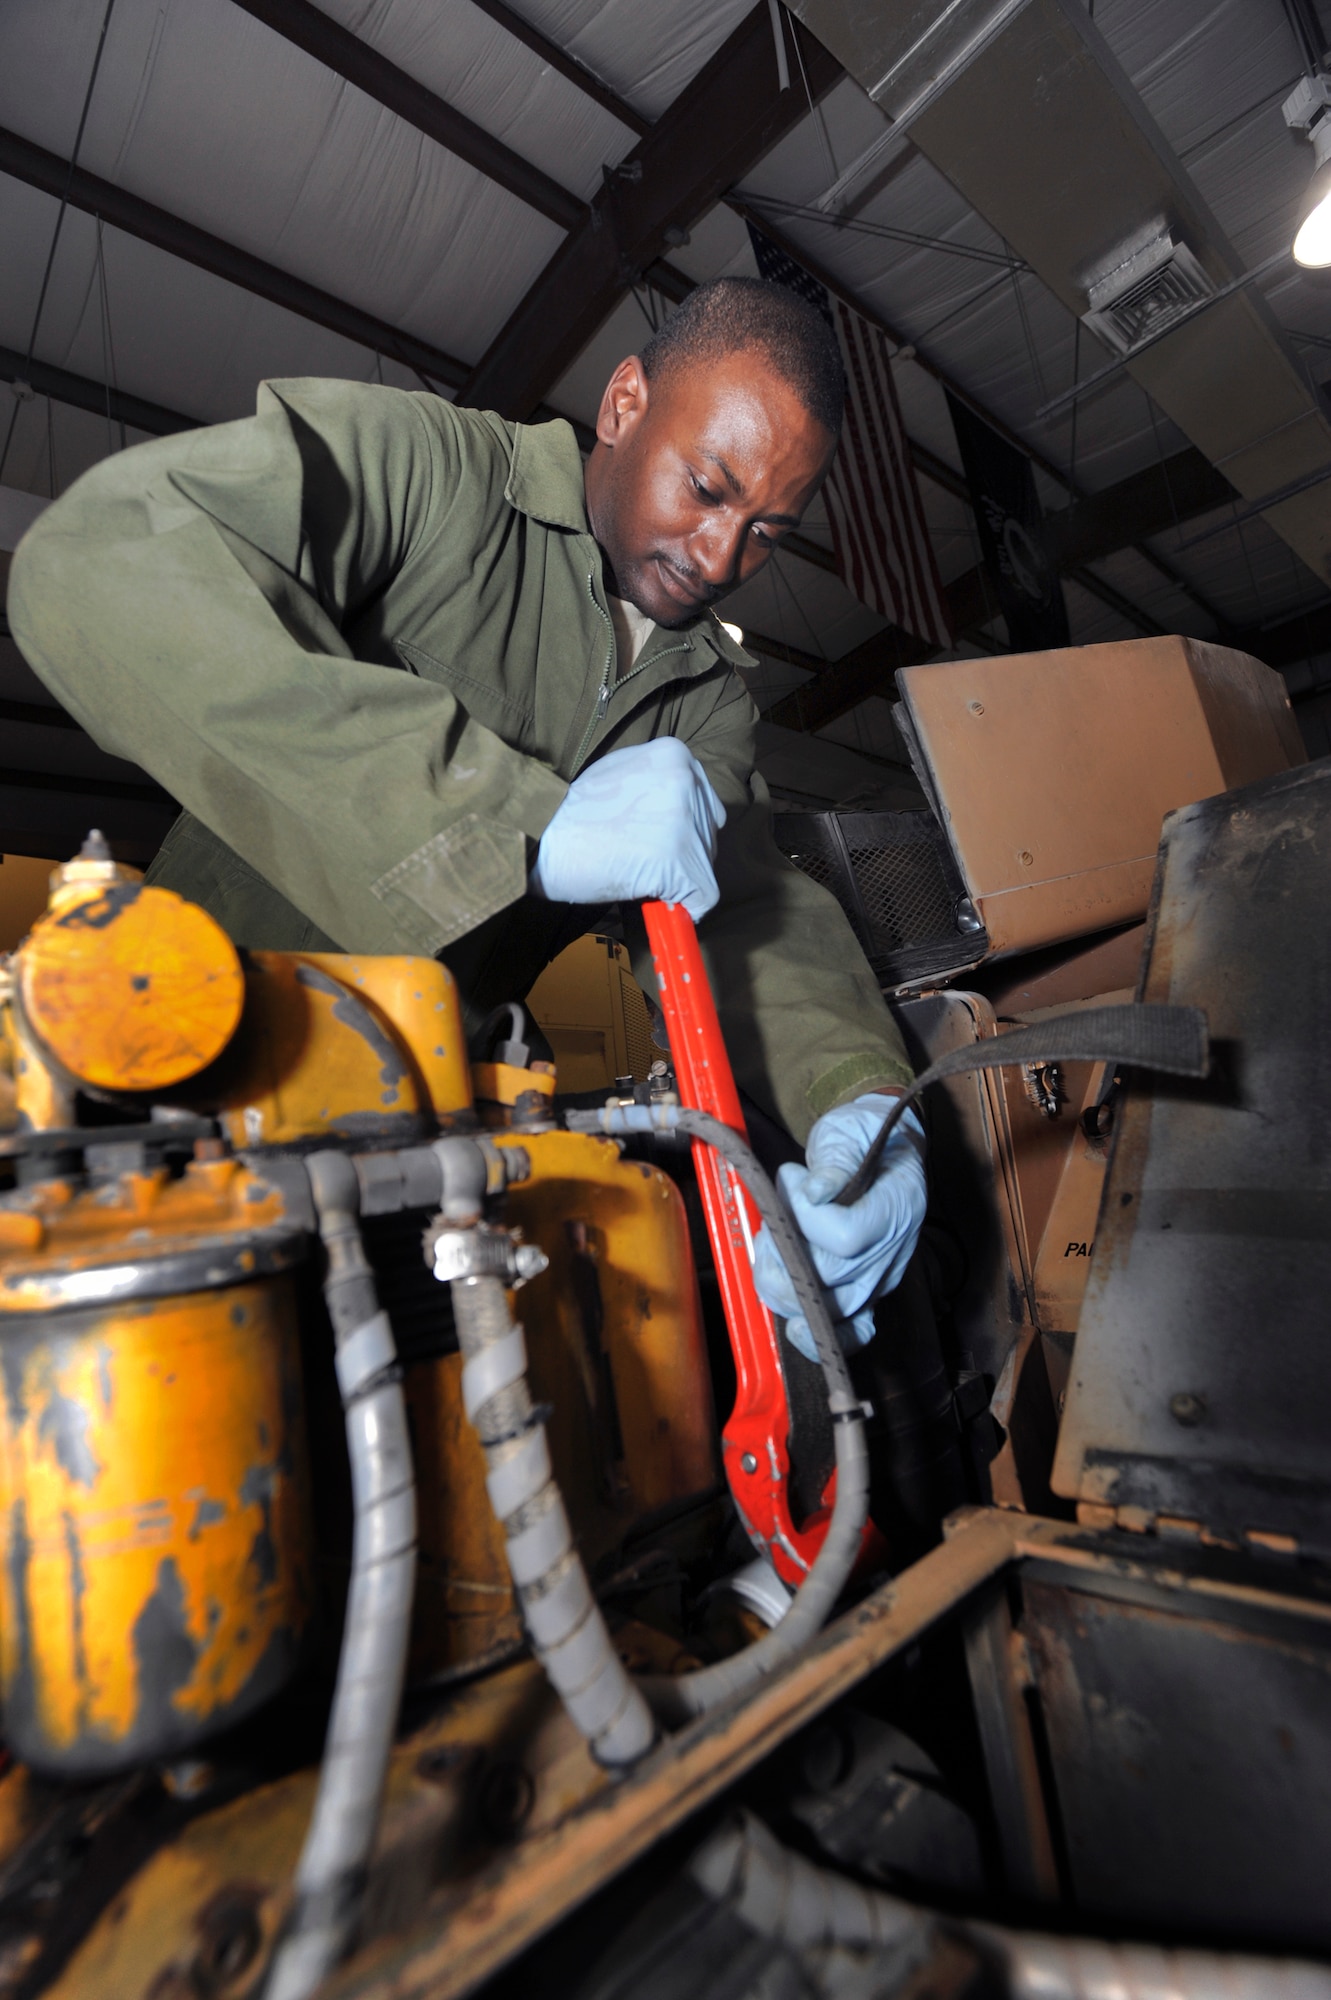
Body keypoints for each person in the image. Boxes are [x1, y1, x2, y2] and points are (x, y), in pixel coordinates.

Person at [9, 278, 925, 1356]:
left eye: (766, 531)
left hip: (433, 1162)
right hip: (176, 1103)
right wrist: (516, 823)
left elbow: (746, 911)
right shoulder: (435, 473)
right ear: (626, 402)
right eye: (706, 487)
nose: (720, 557)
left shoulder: (706, 702)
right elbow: (99, 563)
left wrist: (860, 1103)